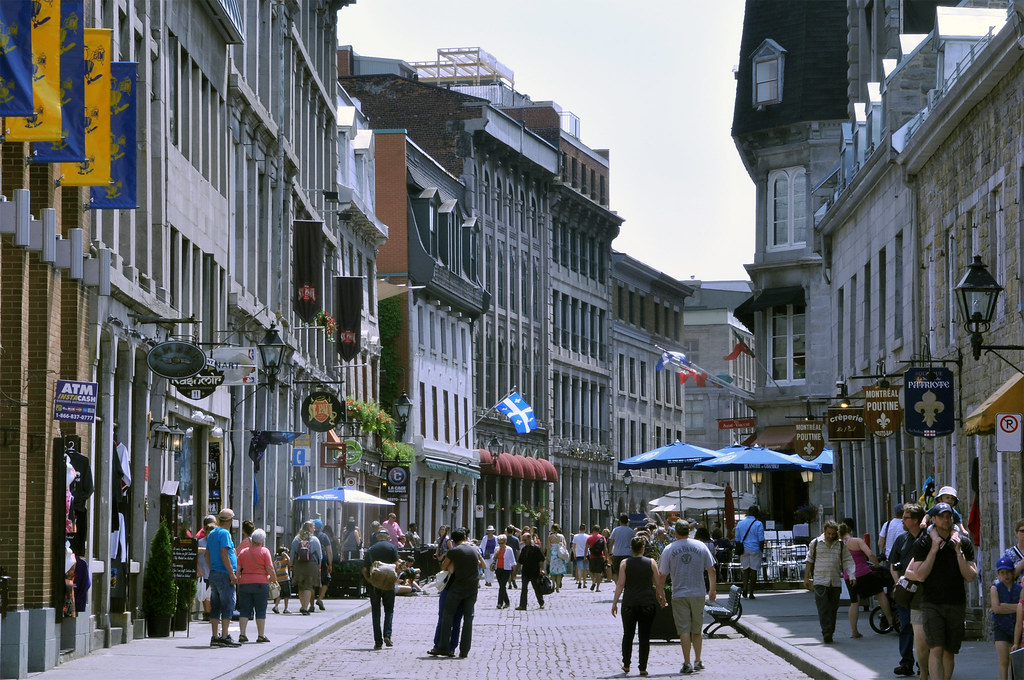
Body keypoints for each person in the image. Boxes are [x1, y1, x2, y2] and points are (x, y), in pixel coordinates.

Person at [905, 502, 977, 680]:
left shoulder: (964, 543)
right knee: (936, 648)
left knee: (949, 651)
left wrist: (958, 550)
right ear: (934, 519)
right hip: (931, 603)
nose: (946, 519)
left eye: (949, 516)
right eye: (942, 516)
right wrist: (934, 549)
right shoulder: (923, 543)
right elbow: (920, 575)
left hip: (956, 602)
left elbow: (970, 576)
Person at [658, 519, 715, 675]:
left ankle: (687, 662)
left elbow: (662, 575)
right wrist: (712, 589)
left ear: (676, 532)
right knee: (697, 629)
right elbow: (711, 570)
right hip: (698, 593)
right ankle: (698, 660)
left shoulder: (669, 549)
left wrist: (661, 593)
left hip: (679, 593)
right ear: (688, 532)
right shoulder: (701, 546)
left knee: (684, 629)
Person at [612, 535, 668, 676]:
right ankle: (642, 667)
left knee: (628, 635)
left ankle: (626, 664)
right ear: (643, 548)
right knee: (644, 636)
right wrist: (661, 597)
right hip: (647, 603)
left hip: (629, 603)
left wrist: (614, 603)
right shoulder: (651, 562)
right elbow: (658, 583)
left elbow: (620, 584)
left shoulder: (625, 563)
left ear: (631, 548)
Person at [429, 528, 485, 658]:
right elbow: (481, 565)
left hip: (457, 588)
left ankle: (443, 646)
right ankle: (464, 650)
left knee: (447, 616)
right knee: (468, 619)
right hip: (472, 589)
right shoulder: (474, 549)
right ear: (465, 537)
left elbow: (444, 566)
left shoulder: (454, 551)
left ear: (453, 540)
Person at [804, 520, 857, 644]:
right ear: (824, 531)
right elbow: (809, 560)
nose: (831, 536)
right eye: (828, 533)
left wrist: (852, 575)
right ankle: (826, 632)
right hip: (820, 581)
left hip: (834, 582)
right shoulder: (816, 543)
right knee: (823, 608)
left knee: (833, 609)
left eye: (833, 534)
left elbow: (847, 560)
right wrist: (806, 577)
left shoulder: (840, 545)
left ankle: (830, 631)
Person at [839, 519, 894, 638]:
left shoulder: (840, 545)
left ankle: (854, 631)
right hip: (863, 573)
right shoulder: (856, 541)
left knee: (854, 603)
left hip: (849, 576)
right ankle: (890, 621)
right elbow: (870, 554)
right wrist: (877, 565)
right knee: (879, 593)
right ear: (850, 531)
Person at [888, 502, 925, 677]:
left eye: (906, 517)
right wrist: (898, 582)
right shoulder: (901, 539)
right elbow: (893, 565)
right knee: (905, 627)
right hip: (905, 590)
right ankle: (906, 663)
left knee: (923, 629)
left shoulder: (927, 539)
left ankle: (922, 663)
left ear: (916, 520)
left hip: (923, 591)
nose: (902, 520)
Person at [206, 508, 242, 647]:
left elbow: (207, 554)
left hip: (214, 573)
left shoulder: (213, 533)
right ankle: (225, 636)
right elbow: (224, 553)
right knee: (228, 604)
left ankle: (215, 636)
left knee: (215, 605)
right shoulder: (225, 533)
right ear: (231, 520)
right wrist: (231, 573)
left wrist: (212, 568)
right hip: (224, 574)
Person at [236, 528, 277, 643]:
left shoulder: (243, 552)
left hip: (245, 583)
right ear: (262, 541)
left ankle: (242, 634)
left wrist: (238, 581)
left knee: (244, 610)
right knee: (260, 610)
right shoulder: (265, 551)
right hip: (261, 583)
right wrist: (274, 580)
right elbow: (269, 568)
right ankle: (261, 635)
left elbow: (238, 569)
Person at [363, 528, 399, 649]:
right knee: (389, 610)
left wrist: (369, 580)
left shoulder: (371, 549)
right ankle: (387, 635)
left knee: (376, 613)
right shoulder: (392, 548)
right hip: (388, 583)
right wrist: (395, 578)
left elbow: (364, 569)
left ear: (377, 537)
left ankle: (378, 641)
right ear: (388, 537)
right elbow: (397, 565)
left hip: (375, 584)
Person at [991, 556, 1020, 680]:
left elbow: (1022, 607)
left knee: (1015, 661)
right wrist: (1016, 607)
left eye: (1008, 572)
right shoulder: (995, 588)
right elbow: (996, 608)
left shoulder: (1019, 588)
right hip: (1001, 627)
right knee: (1004, 661)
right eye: (1002, 573)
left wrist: (1005, 606)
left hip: (1016, 628)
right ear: (998, 574)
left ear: (1013, 573)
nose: (1006, 575)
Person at [290, 520, 322, 615]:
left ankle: (303, 605)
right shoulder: (314, 539)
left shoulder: (296, 539)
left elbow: (293, 553)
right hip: (311, 564)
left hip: (299, 564)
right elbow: (319, 554)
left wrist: (291, 563)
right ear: (310, 528)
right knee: (308, 586)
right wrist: (319, 564)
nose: (314, 529)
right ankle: (305, 607)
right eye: (313, 527)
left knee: (301, 586)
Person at [734, 505, 765, 600]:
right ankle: (751, 592)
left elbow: (737, 538)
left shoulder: (740, 523)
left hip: (744, 549)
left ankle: (745, 588)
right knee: (754, 570)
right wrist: (761, 550)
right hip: (755, 548)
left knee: (745, 570)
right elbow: (761, 539)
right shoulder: (758, 524)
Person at [516, 532, 547, 610]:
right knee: (524, 588)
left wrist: (542, 569)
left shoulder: (536, 548)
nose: (524, 542)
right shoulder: (524, 549)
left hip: (534, 572)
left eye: (525, 540)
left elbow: (541, 560)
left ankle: (541, 602)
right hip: (525, 572)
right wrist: (515, 571)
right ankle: (523, 605)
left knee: (536, 588)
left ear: (530, 539)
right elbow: (520, 561)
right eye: (523, 540)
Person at [196, 515, 216, 621]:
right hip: (204, 572)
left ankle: (211, 613)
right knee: (206, 595)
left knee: (212, 595)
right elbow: (193, 554)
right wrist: (199, 570)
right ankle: (207, 614)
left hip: (215, 572)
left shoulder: (217, 542)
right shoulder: (200, 542)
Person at [312, 519, 333, 611]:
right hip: (323, 560)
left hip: (311, 561)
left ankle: (311, 605)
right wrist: (330, 564)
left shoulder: (309, 536)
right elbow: (329, 551)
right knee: (326, 580)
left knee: (311, 584)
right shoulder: (324, 537)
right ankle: (320, 598)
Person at [493, 533, 516, 609]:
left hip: (506, 569)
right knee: (501, 586)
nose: (500, 544)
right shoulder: (497, 549)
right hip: (498, 569)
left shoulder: (509, 549)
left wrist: (514, 573)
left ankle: (499, 603)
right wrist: (497, 553)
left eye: (502, 543)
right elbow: (494, 558)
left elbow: (513, 561)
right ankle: (507, 601)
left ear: (505, 542)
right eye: (499, 543)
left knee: (502, 586)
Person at [546, 523, 569, 592]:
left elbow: (548, 548)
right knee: (559, 572)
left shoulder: (550, 537)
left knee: (553, 571)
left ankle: (553, 584)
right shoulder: (561, 536)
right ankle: (558, 587)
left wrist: (547, 557)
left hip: (553, 554)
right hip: (560, 554)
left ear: (552, 529)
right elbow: (565, 546)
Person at [586, 524, 607, 592]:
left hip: (592, 557)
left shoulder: (589, 538)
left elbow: (586, 548)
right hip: (600, 556)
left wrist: (585, 556)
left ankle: (593, 581)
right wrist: (606, 557)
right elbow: (605, 548)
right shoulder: (602, 538)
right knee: (598, 572)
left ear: (593, 530)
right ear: (599, 530)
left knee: (591, 571)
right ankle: (597, 588)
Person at [272, 547, 291, 614]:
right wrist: (286, 556)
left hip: (279, 579)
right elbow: (290, 563)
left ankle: (276, 606)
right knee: (287, 595)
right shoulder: (284, 560)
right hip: (285, 579)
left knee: (280, 594)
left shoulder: (276, 561)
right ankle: (286, 608)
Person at [571, 523, 590, 588]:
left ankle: (579, 581)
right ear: (585, 529)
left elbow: (573, 546)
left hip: (578, 554)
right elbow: (589, 546)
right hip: (586, 554)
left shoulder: (575, 536)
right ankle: (584, 583)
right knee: (585, 569)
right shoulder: (587, 536)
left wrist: (574, 553)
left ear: (579, 529)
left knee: (579, 569)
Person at [505, 525, 521, 589]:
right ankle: (513, 579)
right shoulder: (516, 539)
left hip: (506, 556)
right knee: (514, 570)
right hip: (514, 556)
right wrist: (520, 557)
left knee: (508, 571)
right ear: (513, 531)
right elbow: (518, 550)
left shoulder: (505, 539)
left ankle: (509, 583)